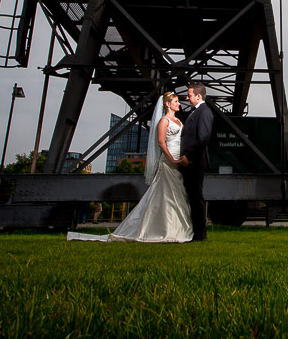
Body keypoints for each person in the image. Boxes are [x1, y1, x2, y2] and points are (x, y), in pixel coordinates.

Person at [67, 92, 193, 243]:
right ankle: (163, 228)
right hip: (168, 160)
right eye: (176, 101)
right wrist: (171, 158)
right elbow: (161, 142)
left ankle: (179, 228)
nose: (178, 103)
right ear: (167, 104)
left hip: (179, 159)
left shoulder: (178, 120)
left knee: (178, 194)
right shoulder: (163, 121)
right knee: (165, 194)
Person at [177, 82, 213, 241]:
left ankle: (200, 234)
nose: (186, 97)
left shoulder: (204, 112)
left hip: (195, 163)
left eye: (189, 95)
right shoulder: (197, 112)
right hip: (190, 162)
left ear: (198, 96)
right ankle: (195, 231)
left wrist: (189, 158)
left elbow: (204, 137)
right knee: (192, 197)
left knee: (196, 198)